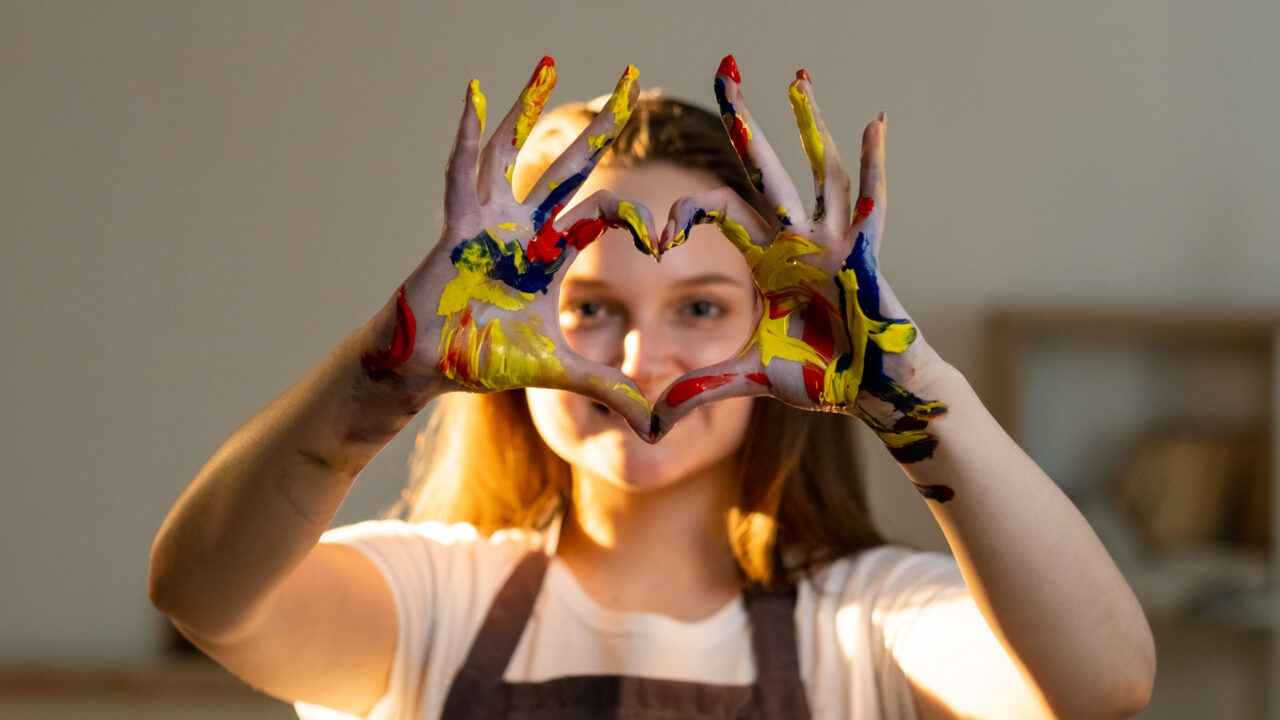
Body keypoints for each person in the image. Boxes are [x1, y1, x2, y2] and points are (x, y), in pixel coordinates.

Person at [148, 56, 1156, 719]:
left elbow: (1100, 684)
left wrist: (915, 393)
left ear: (789, 333)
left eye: (703, 308)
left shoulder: (866, 622)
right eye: (588, 306)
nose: (638, 359)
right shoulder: (430, 601)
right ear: (504, 327)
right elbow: (203, 596)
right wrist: (378, 377)